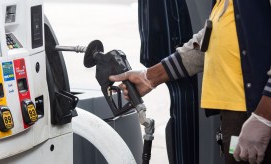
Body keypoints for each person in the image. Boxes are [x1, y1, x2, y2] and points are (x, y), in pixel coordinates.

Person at [109, 0, 271, 163]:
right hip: (235, 118)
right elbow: (207, 41)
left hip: (256, 114)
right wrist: (149, 77)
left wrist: (264, 117)